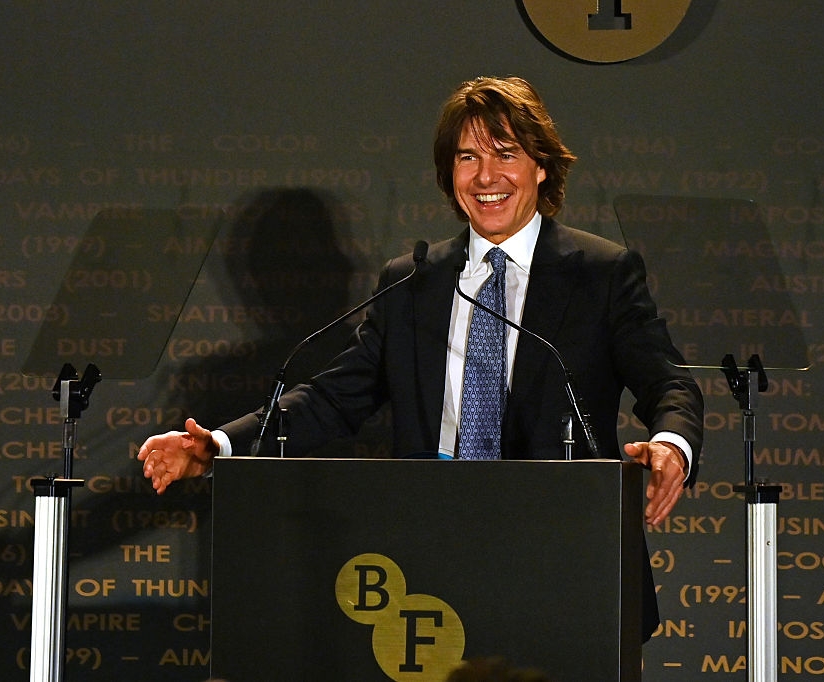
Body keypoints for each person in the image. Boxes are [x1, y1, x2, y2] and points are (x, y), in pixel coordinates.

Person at [139, 75, 704, 641]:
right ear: (448, 174)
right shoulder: (412, 283)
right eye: (467, 157)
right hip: (432, 575)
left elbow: (669, 383)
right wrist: (218, 445)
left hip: (569, 570)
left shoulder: (600, 273)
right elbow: (334, 399)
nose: (486, 176)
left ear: (541, 166)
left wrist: (670, 446)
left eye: (506, 154)